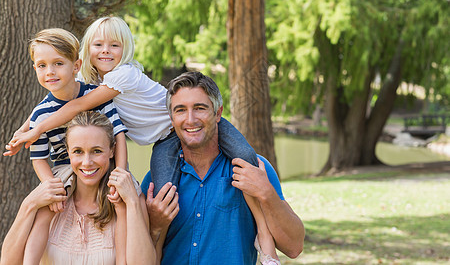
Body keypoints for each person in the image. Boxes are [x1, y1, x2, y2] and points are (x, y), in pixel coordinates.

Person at [6, 17, 281, 261]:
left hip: (182, 125)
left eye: (114, 45)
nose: (105, 51)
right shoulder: (86, 80)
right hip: (166, 142)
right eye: (98, 45)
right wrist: (25, 129)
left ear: (125, 48)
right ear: (86, 50)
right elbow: (51, 103)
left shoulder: (123, 75)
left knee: (246, 163)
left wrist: (35, 131)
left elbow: (75, 107)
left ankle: (265, 239)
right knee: (162, 196)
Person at [142, 72, 305, 265]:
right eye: (180, 110)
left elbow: (294, 247)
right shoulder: (155, 182)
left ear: (218, 113)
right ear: (171, 118)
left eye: (200, 108)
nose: (190, 119)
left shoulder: (254, 171)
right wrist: (155, 227)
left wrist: (266, 193)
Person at [3, 28, 130, 263]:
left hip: (103, 162)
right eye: (42, 65)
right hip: (63, 167)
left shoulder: (95, 95)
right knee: (46, 207)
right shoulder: (40, 114)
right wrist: (49, 185)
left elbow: (119, 135)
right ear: (35, 69)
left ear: (76, 65)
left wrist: (120, 172)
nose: (50, 72)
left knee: (125, 204)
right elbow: (39, 157)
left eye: (58, 63)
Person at [0, 111, 155, 265]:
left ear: (112, 151)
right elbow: (8, 262)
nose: (87, 162)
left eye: (97, 151)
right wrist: (29, 204)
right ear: (68, 152)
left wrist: (133, 203)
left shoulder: (128, 198)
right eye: (78, 151)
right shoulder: (54, 192)